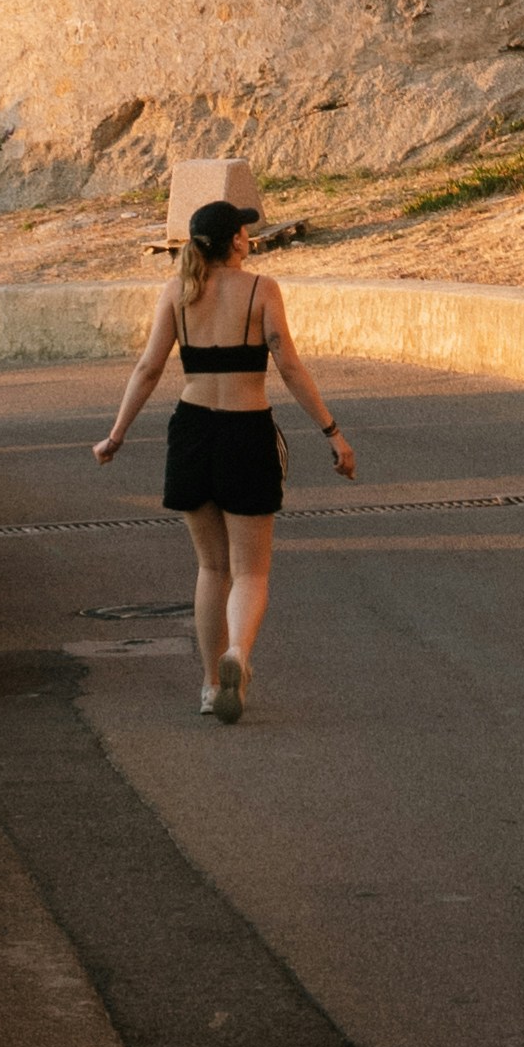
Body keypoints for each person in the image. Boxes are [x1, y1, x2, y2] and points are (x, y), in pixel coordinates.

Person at [95, 196, 352, 721]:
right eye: (243, 231)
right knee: (250, 571)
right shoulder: (262, 290)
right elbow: (290, 365)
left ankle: (212, 684)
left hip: (191, 431)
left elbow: (147, 369)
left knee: (211, 568)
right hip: (244, 430)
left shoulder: (177, 292)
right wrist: (332, 432)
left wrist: (116, 435)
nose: (248, 238)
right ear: (236, 241)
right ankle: (238, 653)